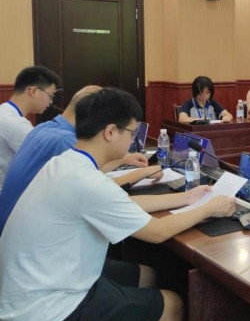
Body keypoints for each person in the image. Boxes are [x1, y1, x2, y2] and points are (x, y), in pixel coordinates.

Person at [0, 88, 235, 321]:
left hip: (30, 291)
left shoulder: (67, 163)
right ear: (110, 132)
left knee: (146, 275)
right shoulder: (86, 181)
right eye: (131, 132)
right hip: (42, 314)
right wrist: (208, 209)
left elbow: (120, 205)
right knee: (172, 307)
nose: (132, 139)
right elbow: (158, 232)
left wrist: (187, 198)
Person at [0, 86, 161, 235]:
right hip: (28, 231)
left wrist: (124, 159)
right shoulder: (67, 141)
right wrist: (141, 173)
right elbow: (94, 184)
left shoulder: (45, 127)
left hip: (14, 224)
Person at [0, 66, 61, 192]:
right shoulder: (15, 124)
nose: (51, 102)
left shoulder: (4, 111)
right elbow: (47, 162)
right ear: (33, 91)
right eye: (50, 96)